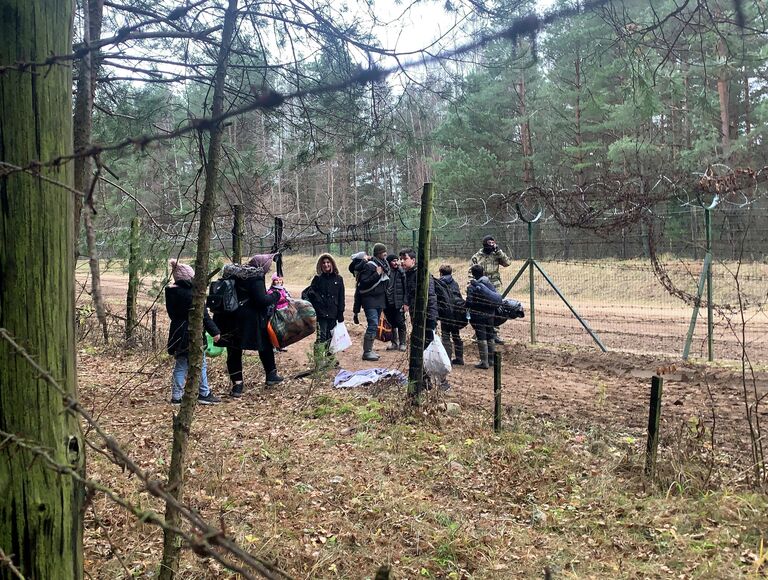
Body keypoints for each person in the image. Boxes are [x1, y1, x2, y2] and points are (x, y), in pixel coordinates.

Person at [214, 254, 283, 397]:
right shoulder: (255, 277)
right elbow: (261, 300)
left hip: (228, 318)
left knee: (233, 351)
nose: (269, 268)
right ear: (261, 266)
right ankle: (271, 375)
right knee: (264, 345)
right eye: (268, 265)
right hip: (248, 321)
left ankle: (237, 386)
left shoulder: (232, 274)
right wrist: (276, 294)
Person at [165, 259, 221, 405]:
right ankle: (204, 393)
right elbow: (203, 316)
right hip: (191, 334)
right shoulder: (192, 295)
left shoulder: (171, 292)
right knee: (200, 363)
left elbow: (173, 314)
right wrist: (215, 331)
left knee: (181, 365)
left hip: (176, 333)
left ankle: (176, 396)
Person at [469, 234, 511, 344]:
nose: (491, 246)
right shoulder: (477, 257)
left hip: (495, 284)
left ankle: (494, 333)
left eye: (493, 244)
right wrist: (472, 286)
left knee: (497, 308)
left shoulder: (496, 254)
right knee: (481, 307)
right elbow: (471, 272)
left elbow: (507, 263)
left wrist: (498, 251)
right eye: (489, 244)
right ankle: (480, 333)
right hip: (481, 284)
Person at [351, 246, 388, 361]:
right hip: (369, 301)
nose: (385, 254)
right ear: (378, 253)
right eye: (383, 252)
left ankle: (370, 350)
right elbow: (364, 283)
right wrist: (376, 274)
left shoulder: (383, 265)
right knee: (372, 324)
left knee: (375, 325)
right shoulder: (369, 266)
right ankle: (366, 352)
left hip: (379, 300)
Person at [305, 253, 345, 353]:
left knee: (331, 336)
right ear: (320, 265)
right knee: (321, 337)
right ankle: (319, 361)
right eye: (323, 263)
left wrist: (340, 313)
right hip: (321, 313)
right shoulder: (317, 279)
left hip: (333, 312)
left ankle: (330, 359)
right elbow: (309, 294)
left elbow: (341, 297)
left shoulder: (338, 279)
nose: (326, 264)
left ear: (332, 264)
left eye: (328, 262)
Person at [465, 264, 502, 369]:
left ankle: (484, 362)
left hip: (478, 315)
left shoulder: (473, 286)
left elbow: (469, 302)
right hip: (491, 314)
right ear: (483, 272)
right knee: (490, 336)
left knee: (481, 337)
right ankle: (491, 360)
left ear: (472, 274)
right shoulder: (489, 283)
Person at [399, 248, 438, 346]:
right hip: (416, 313)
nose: (402, 261)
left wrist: (427, 314)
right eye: (401, 259)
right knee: (418, 339)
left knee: (428, 340)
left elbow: (429, 295)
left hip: (427, 313)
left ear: (413, 260)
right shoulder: (407, 274)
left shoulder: (422, 274)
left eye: (405, 258)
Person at [437, 263, 464, 366]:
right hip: (456, 312)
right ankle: (459, 358)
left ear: (441, 273)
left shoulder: (439, 283)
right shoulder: (455, 283)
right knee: (456, 335)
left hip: (446, 312)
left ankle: (447, 359)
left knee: (446, 336)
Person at [383, 253, 407, 351]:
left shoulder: (402, 272)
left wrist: (405, 302)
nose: (396, 262)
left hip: (398, 303)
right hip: (388, 303)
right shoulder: (385, 272)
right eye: (393, 261)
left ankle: (403, 343)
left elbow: (406, 289)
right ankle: (394, 343)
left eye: (397, 260)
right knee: (391, 323)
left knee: (400, 322)